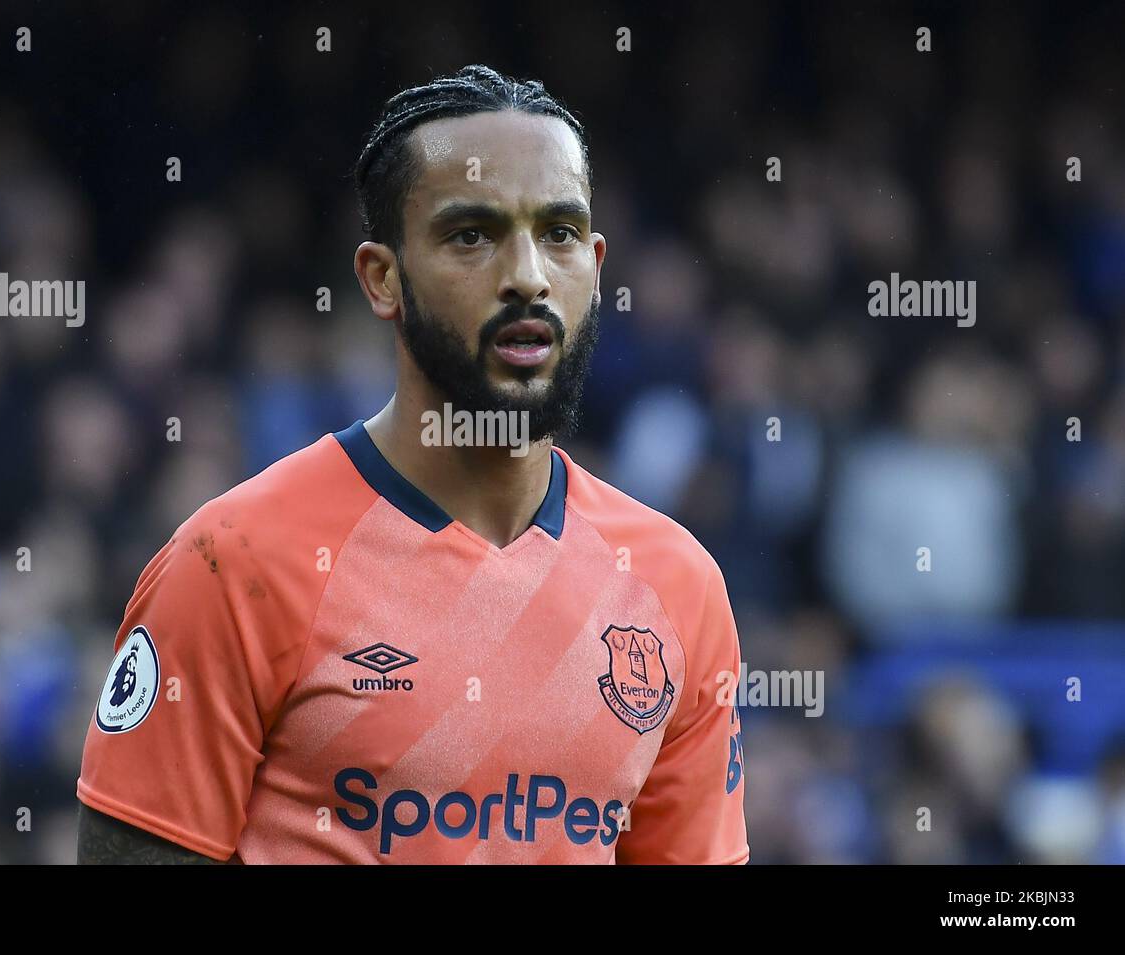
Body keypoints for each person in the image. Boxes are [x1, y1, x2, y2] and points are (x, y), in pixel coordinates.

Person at [76, 64, 748, 864]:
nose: (528, 275)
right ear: (382, 278)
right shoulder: (233, 562)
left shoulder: (677, 587)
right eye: (472, 234)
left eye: (560, 233)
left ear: (596, 267)